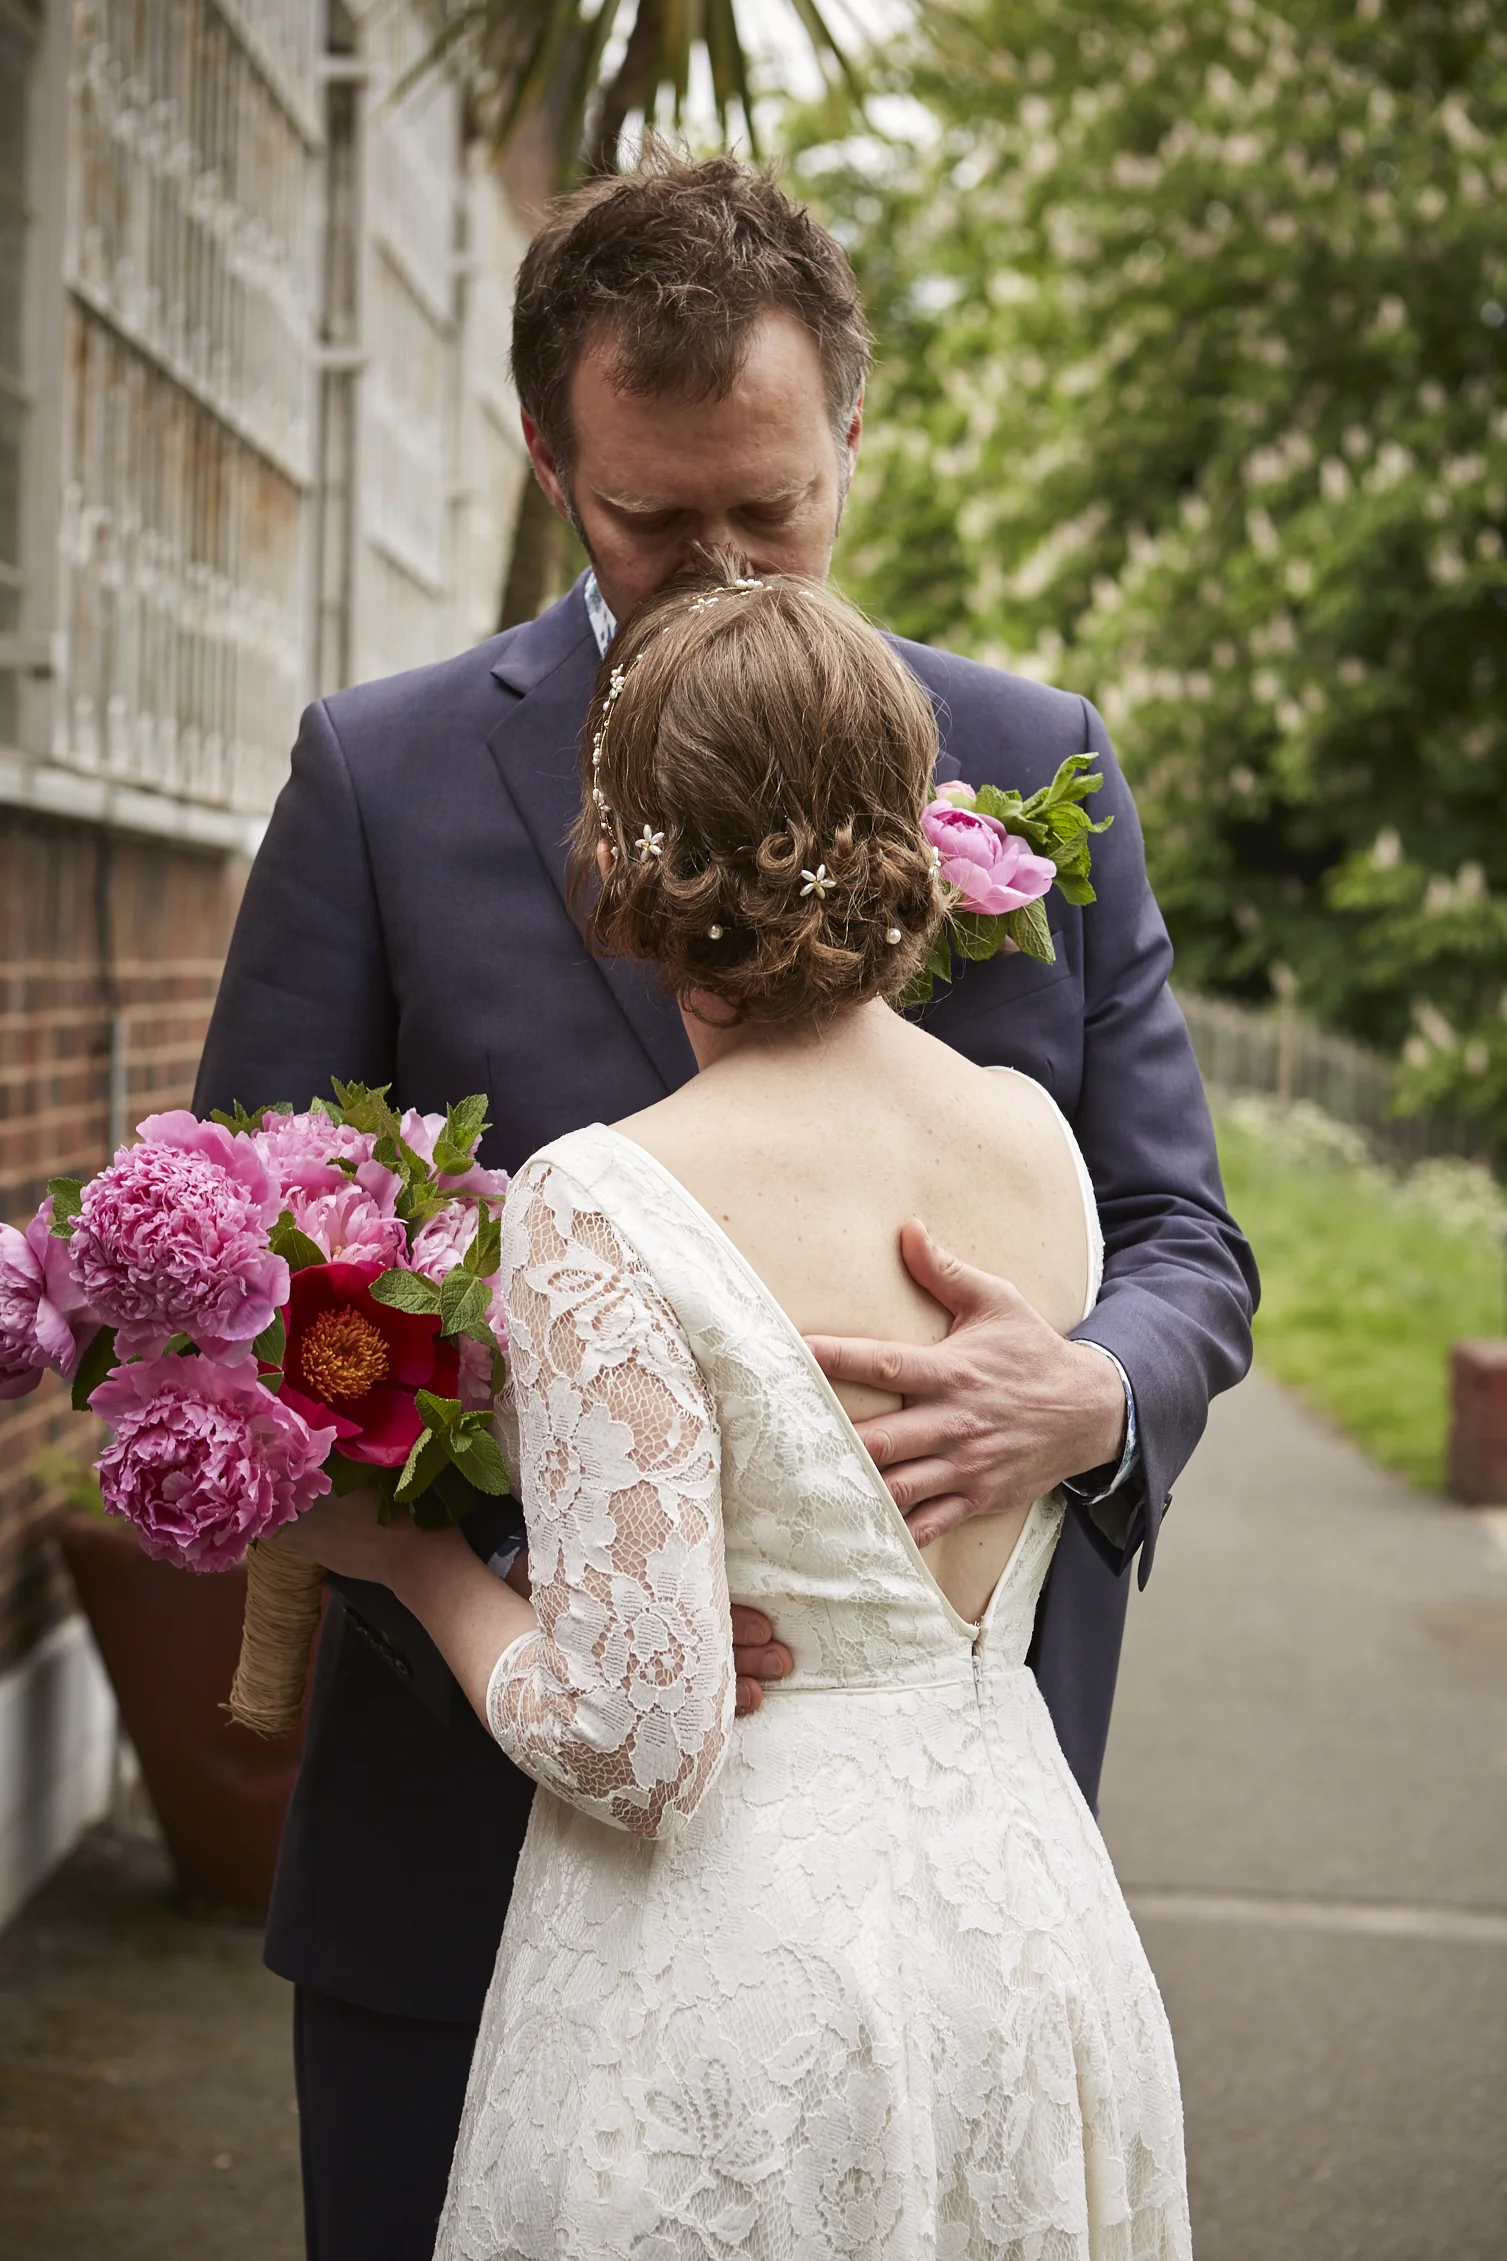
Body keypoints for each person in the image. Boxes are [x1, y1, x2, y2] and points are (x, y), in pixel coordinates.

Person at [193, 156, 1252, 2260]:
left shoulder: (1035, 756)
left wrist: (1088, 1398)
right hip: (460, 1844)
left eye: (767, 512)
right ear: (545, 454)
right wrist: (547, 1566)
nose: (712, 570)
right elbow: (246, 1270)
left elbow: (1181, 1237)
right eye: (650, 516)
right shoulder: (380, 775)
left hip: (908, 1907)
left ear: (853, 437)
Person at [279, 564, 1194, 2256]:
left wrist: (408, 1564)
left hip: (731, 1973)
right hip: (1022, 1937)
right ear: (909, 832)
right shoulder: (1030, 1143)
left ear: (621, 862)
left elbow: (637, 1744)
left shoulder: (604, 1200)